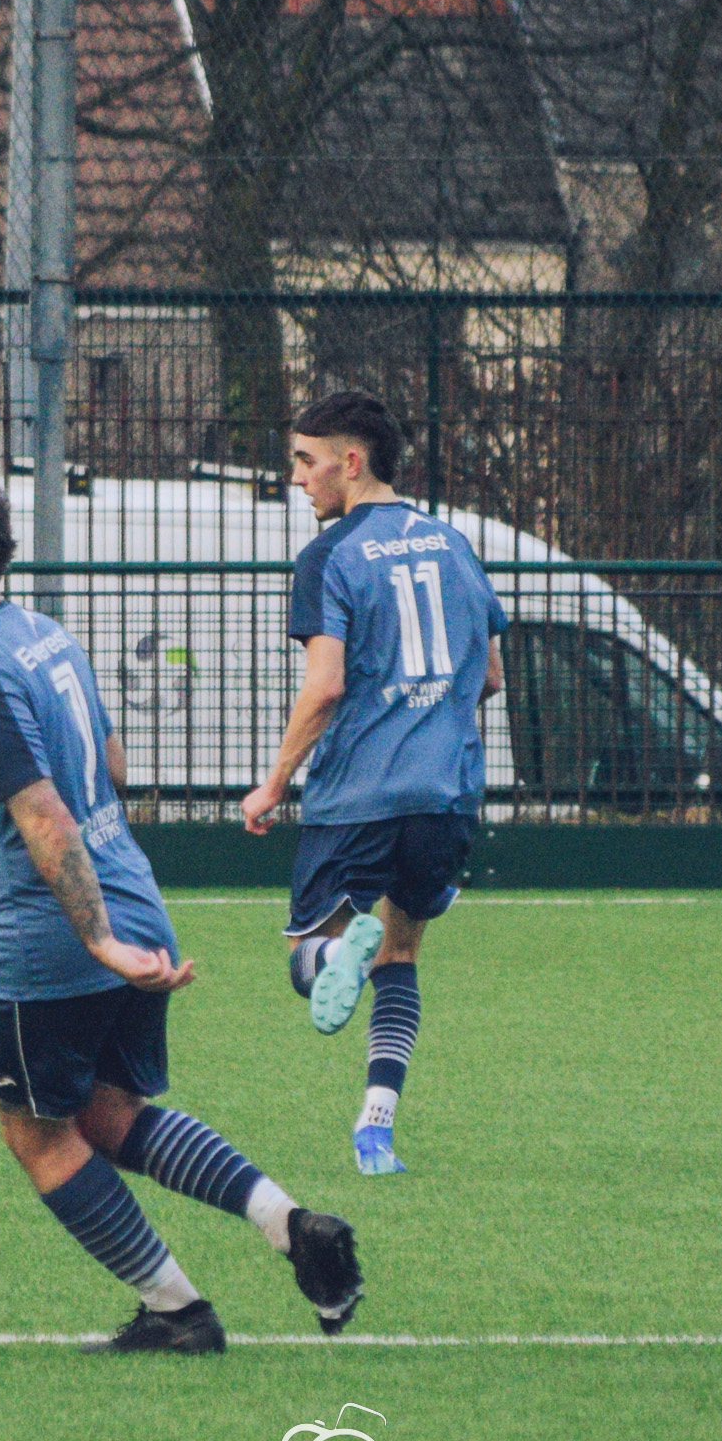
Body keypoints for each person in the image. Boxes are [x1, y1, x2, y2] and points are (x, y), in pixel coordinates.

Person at [0, 452, 364, 1353]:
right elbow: (105, 766)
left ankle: (179, 1311)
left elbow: (43, 807)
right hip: (137, 896)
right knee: (109, 1115)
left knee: (38, 1134)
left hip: (57, 940)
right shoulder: (41, 633)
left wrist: (94, 939)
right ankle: (291, 1225)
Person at [241, 390, 506, 1176]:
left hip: (356, 793)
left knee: (306, 956)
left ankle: (332, 961)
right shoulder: (456, 544)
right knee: (400, 956)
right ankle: (376, 1128)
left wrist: (273, 782)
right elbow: (489, 674)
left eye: (304, 459)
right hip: (444, 795)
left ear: (349, 462)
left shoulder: (329, 555)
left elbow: (323, 686)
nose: (296, 477)